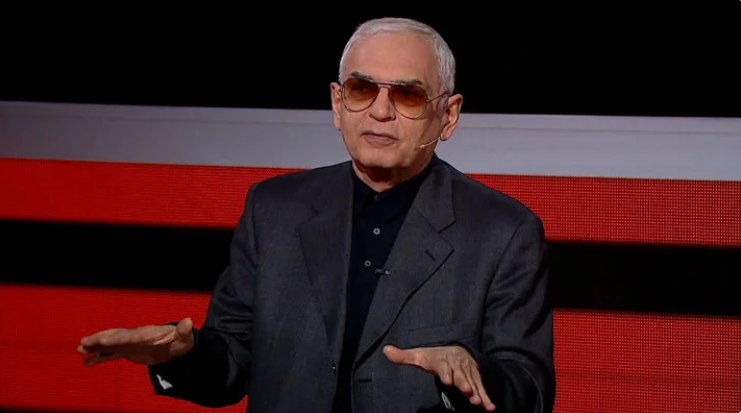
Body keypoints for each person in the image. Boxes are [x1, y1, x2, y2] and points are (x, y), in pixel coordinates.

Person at [78, 17, 556, 413]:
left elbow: (530, 392)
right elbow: (231, 366)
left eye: (407, 95)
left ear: (447, 116)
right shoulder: (273, 208)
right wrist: (180, 356)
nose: (380, 112)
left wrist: (470, 374)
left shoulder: (504, 231)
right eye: (362, 89)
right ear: (337, 103)